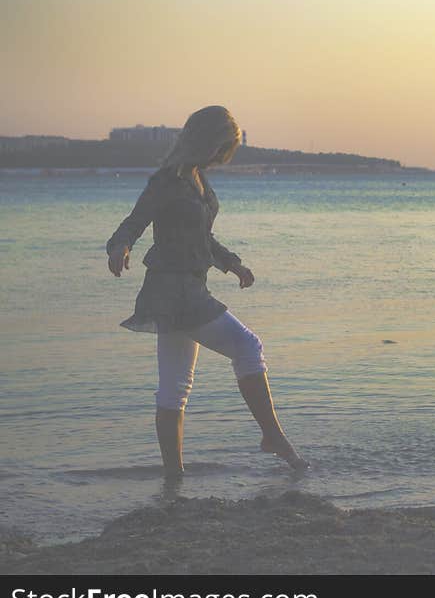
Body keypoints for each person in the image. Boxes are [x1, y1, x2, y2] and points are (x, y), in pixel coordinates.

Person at [106, 105, 308, 477]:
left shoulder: (198, 177)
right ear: (206, 141)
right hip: (175, 290)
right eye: (222, 149)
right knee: (248, 347)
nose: (222, 157)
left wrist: (232, 263)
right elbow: (134, 222)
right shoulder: (166, 181)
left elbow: (202, 236)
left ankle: (173, 477)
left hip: (185, 288)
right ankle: (273, 437)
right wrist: (119, 247)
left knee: (174, 388)